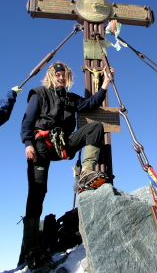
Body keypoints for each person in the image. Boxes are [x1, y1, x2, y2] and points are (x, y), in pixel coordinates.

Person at [20, 61, 114, 269]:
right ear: (51, 76)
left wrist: (105, 83)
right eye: (58, 75)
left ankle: (87, 173)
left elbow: (90, 105)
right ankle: (33, 248)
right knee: (38, 191)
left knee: (95, 127)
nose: (61, 78)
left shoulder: (71, 99)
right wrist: (28, 144)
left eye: (64, 75)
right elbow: (27, 121)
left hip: (63, 144)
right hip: (41, 146)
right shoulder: (39, 93)